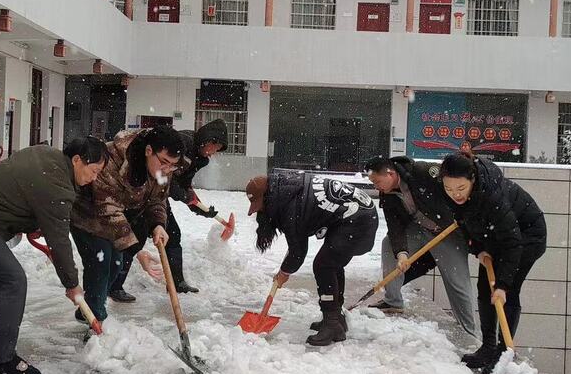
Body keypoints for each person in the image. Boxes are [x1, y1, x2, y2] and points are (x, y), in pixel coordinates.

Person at [0, 137, 106, 374]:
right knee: (13, 281)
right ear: (77, 160)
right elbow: (59, 241)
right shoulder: (58, 185)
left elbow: (21, 191)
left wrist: (30, 220)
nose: (94, 178)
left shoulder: (45, 154)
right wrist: (71, 283)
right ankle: (3, 361)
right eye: (94, 171)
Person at [439, 151, 547, 374]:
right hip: (493, 238)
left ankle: (502, 351)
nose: (455, 195)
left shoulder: (492, 197)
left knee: (506, 292)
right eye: (449, 189)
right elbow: (465, 224)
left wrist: (503, 285)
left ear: (473, 179)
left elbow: (513, 242)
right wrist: (477, 249)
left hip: (527, 237)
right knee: (484, 288)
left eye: (460, 188)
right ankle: (488, 347)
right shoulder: (455, 195)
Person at [69, 126, 183, 328]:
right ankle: (96, 320)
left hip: (118, 219)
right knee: (101, 262)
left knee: (116, 264)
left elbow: (158, 199)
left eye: (173, 166)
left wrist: (158, 224)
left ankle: (88, 308)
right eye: (164, 162)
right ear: (148, 150)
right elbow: (108, 208)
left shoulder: (163, 170)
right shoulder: (112, 159)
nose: (167, 169)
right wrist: (138, 251)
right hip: (87, 215)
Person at [247, 171, 377, 347]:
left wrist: (285, 271)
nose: (261, 211)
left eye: (260, 205)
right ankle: (336, 318)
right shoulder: (287, 190)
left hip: (358, 220)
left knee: (324, 265)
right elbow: (296, 244)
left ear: (268, 197)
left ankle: (332, 323)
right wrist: (286, 267)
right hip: (358, 214)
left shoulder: (289, 205)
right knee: (332, 262)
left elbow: (298, 250)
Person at [108, 119, 229, 300]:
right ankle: (114, 285)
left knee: (172, 234)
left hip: (157, 195)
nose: (213, 152)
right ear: (206, 139)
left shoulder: (199, 159)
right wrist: (184, 196)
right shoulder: (182, 144)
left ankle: (176, 282)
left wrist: (199, 207)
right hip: (140, 190)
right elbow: (167, 181)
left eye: (217, 150)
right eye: (213, 146)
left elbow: (182, 184)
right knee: (134, 237)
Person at [364, 156, 478, 340]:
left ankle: (469, 332)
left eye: (377, 181)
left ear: (390, 173)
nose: (376, 186)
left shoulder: (423, 172)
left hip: (448, 231)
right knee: (388, 245)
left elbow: (455, 190)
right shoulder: (388, 196)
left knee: (456, 281)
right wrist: (402, 253)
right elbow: (396, 227)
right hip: (420, 229)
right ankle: (393, 301)